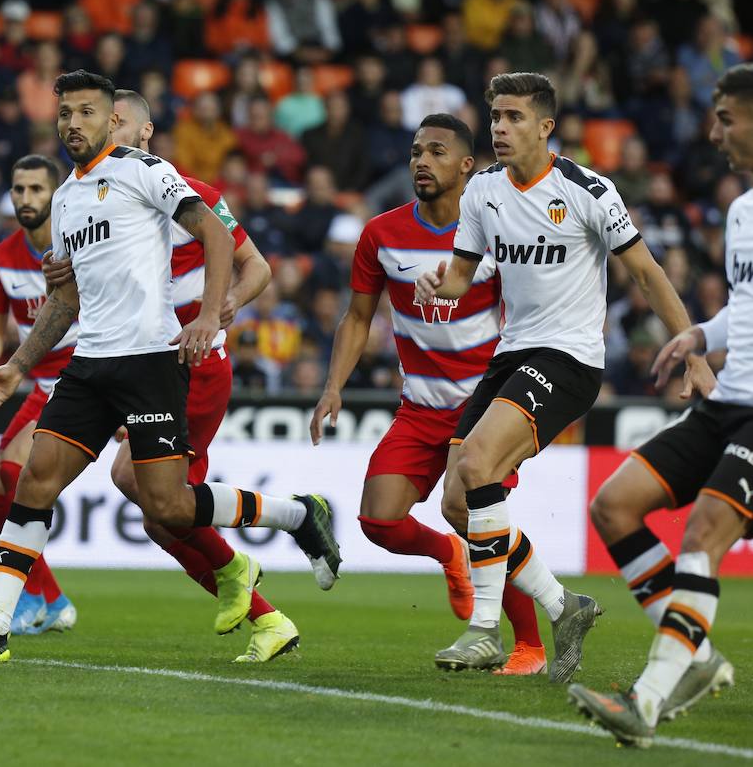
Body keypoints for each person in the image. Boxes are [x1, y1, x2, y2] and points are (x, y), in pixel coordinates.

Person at [0, 71, 339, 664]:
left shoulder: (147, 172)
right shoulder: (65, 198)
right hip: (91, 364)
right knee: (35, 480)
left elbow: (220, 240)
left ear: (111, 120)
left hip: (151, 361)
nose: (75, 123)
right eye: (65, 113)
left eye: (88, 112)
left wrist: (207, 321)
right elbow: (65, 302)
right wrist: (17, 366)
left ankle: (294, 516)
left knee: (167, 507)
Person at [415, 72, 713, 679]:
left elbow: (648, 275)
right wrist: (436, 285)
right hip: (512, 354)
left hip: (570, 360)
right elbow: (460, 277)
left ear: (546, 127)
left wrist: (694, 352)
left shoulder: (588, 191)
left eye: (514, 117)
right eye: (495, 116)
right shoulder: (481, 192)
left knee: (475, 468)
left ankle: (483, 632)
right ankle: (563, 604)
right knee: (455, 504)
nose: (499, 127)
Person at [311, 113, 545, 675]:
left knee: (469, 514)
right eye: (416, 151)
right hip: (419, 409)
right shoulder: (382, 234)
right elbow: (358, 315)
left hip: (486, 408)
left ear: (467, 166)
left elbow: (527, 317)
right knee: (379, 520)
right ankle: (449, 555)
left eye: (437, 152)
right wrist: (333, 388)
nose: (421, 161)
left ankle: (530, 646)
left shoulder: (497, 231)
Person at [569, 64, 753, 745]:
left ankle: (645, 701)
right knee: (613, 507)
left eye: (727, 118)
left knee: (703, 534)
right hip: (726, 402)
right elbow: (748, 308)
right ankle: (697, 661)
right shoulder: (741, 210)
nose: (714, 132)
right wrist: (700, 334)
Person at [100, 88, 300, 664]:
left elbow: (257, 267)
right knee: (163, 520)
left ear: (144, 133)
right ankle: (269, 614)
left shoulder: (193, 198)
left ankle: (264, 559)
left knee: (143, 490)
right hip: (144, 367)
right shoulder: (106, 205)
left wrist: (223, 306)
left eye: (117, 123)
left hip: (194, 365)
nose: (106, 132)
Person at [0, 154, 78, 634]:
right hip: (38, 384)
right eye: (18, 189)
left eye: (36, 189)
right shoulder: (3, 256)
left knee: (13, 470)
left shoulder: (78, 248)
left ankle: (27, 598)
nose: (26, 198)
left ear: (56, 194)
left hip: (79, 380)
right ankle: (52, 596)